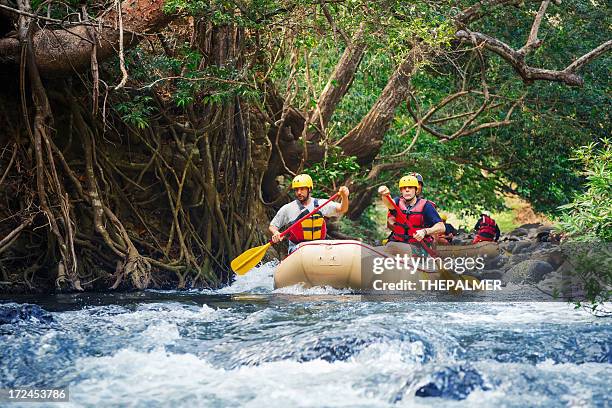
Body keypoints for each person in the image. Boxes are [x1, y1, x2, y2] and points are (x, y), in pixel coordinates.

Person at [269, 174, 350, 254]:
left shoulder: (321, 204)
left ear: (309, 189)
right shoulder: (288, 208)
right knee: (306, 251)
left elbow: (343, 209)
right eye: (296, 190)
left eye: (302, 189)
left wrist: (344, 197)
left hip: (319, 246)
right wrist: (276, 233)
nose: (299, 192)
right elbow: (273, 226)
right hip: (297, 248)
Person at [379, 175, 445, 250]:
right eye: (404, 188)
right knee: (384, 249)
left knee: (396, 249)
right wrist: (385, 195)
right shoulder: (397, 201)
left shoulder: (426, 206)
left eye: (410, 187)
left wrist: (425, 231)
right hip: (397, 242)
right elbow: (389, 204)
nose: (407, 190)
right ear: (401, 191)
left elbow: (441, 227)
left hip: (418, 246)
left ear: (416, 190)